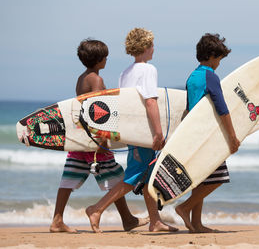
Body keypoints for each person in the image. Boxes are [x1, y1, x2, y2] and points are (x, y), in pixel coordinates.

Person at [50, 39, 148, 233]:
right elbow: (97, 110)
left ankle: (57, 220)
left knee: (69, 179)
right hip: (94, 140)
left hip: (81, 139)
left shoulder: (81, 78)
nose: (107, 60)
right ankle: (121, 218)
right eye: (105, 57)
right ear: (99, 59)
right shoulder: (96, 79)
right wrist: (104, 137)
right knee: (118, 179)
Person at [86, 28, 178, 233]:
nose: (154, 48)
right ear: (145, 47)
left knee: (147, 178)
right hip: (144, 133)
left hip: (132, 131)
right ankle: (96, 209)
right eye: (152, 44)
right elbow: (151, 102)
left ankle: (155, 221)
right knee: (134, 177)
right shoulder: (148, 69)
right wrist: (158, 132)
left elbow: (125, 105)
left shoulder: (125, 72)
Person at [175, 33, 240, 233]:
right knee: (219, 178)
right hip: (206, 134)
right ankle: (184, 208)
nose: (219, 62)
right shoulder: (210, 76)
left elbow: (188, 108)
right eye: (219, 58)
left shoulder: (192, 76)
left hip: (193, 132)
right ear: (212, 56)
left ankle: (196, 222)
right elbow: (222, 108)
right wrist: (232, 136)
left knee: (200, 178)